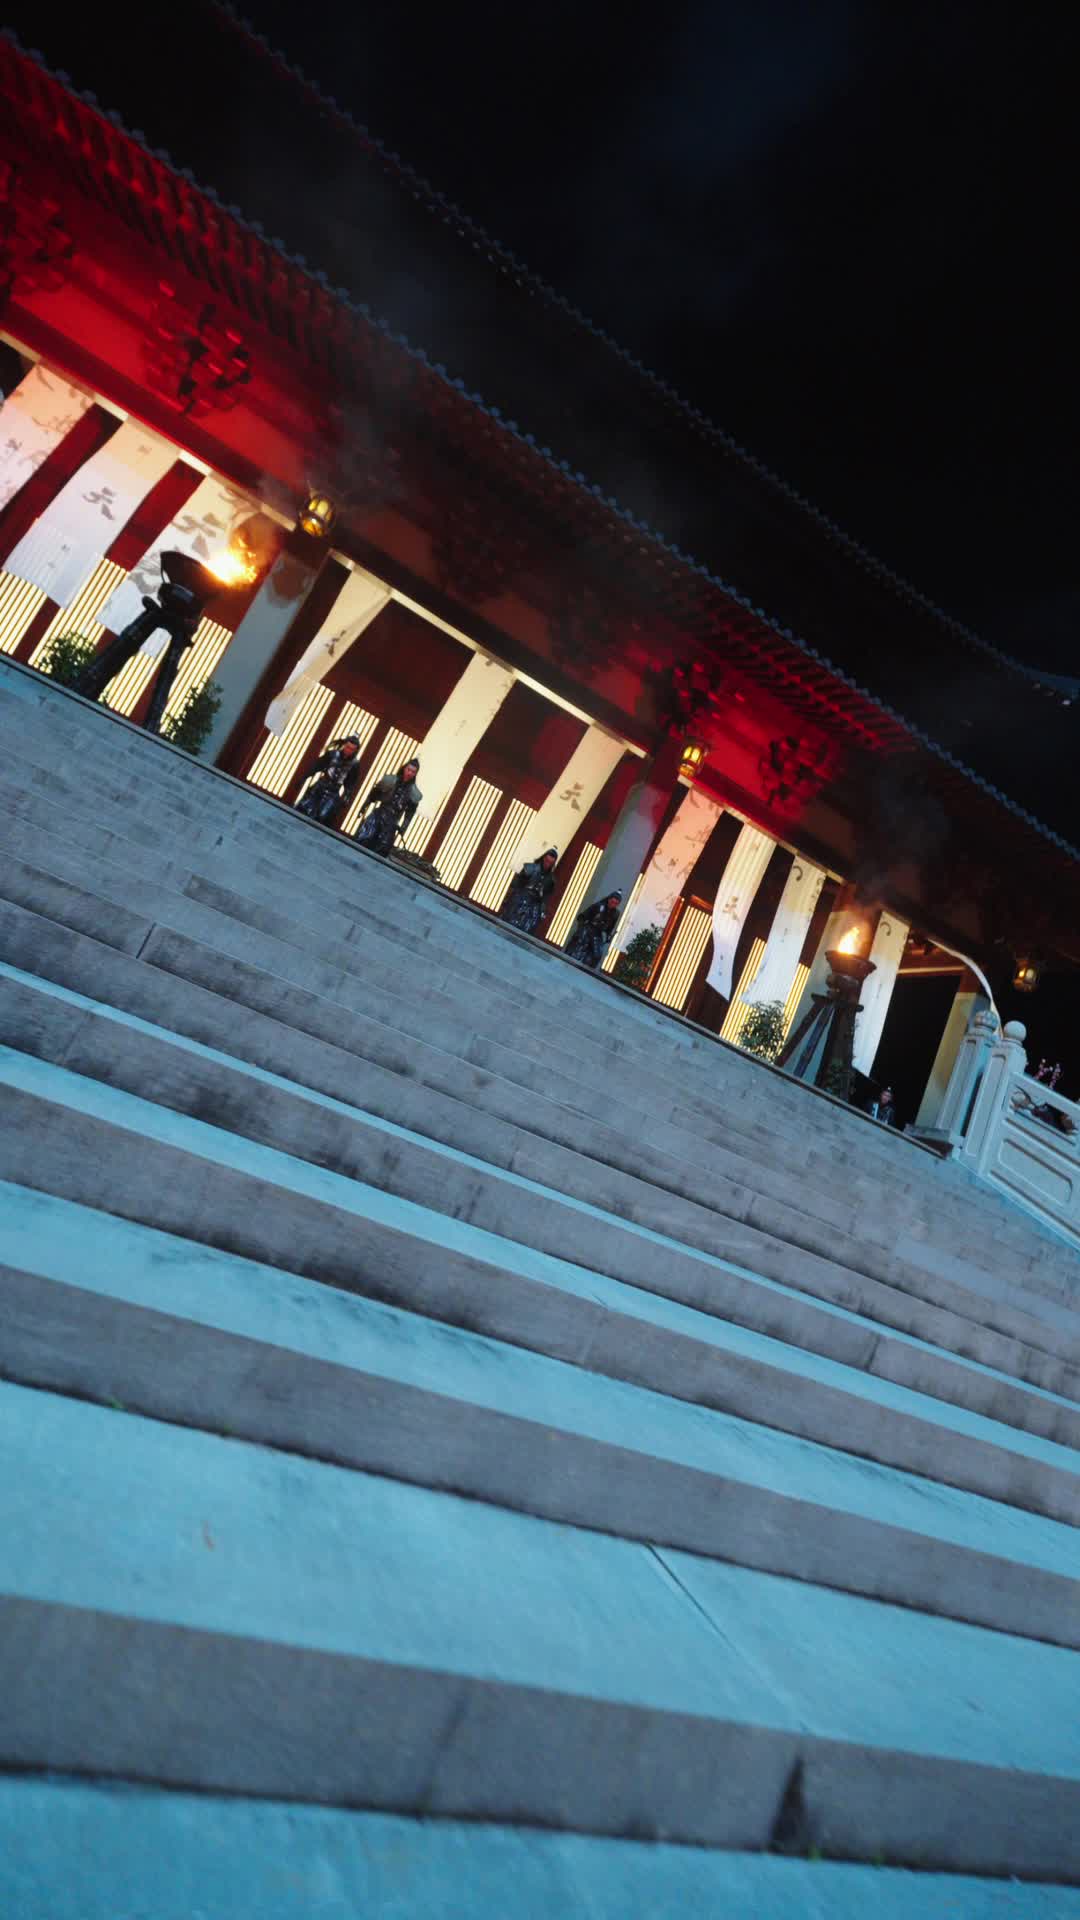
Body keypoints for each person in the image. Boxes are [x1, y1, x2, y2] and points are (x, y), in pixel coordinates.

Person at [354, 757, 422, 855]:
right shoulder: (389, 780)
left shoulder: (414, 793)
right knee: (364, 838)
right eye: (408, 769)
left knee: (382, 848)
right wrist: (363, 807)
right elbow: (373, 795)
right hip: (378, 814)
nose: (409, 773)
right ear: (404, 768)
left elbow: (409, 814)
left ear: (415, 774)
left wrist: (404, 827)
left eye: (413, 772)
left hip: (392, 821)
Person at [295, 734, 363, 828]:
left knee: (323, 816)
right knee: (304, 807)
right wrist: (304, 777)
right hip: (321, 785)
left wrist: (347, 796)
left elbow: (351, 783)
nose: (348, 750)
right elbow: (317, 766)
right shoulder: (332, 754)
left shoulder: (354, 764)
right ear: (344, 745)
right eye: (347, 747)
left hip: (333, 791)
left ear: (355, 751)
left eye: (352, 749)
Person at [500, 848, 558, 934]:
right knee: (509, 923)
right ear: (543, 858)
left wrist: (542, 910)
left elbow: (546, 897)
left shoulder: (551, 879)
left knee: (525, 929)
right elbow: (517, 884)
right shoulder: (530, 868)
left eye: (550, 863)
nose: (547, 864)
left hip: (534, 905)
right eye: (547, 861)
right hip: (520, 899)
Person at [565, 889, 623, 970]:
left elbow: (610, 928)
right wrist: (581, 928)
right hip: (588, 928)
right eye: (612, 902)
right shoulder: (598, 906)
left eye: (616, 903)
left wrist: (608, 936)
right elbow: (582, 916)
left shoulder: (615, 914)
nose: (613, 905)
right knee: (578, 945)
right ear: (609, 899)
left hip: (598, 934)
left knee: (597, 954)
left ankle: (586, 969)